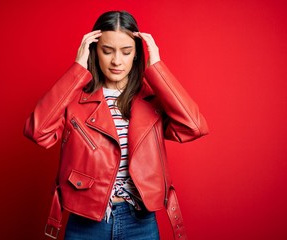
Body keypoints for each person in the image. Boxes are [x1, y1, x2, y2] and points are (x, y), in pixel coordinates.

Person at [24, 10, 208, 240]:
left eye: (126, 51)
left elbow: (193, 126)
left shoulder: (152, 100)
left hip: (140, 221)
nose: (116, 61)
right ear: (94, 51)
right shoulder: (75, 99)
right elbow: (37, 131)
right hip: (86, 222)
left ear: (137, 55)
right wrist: (77, 70)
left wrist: (157, 67)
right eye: (107, 50)